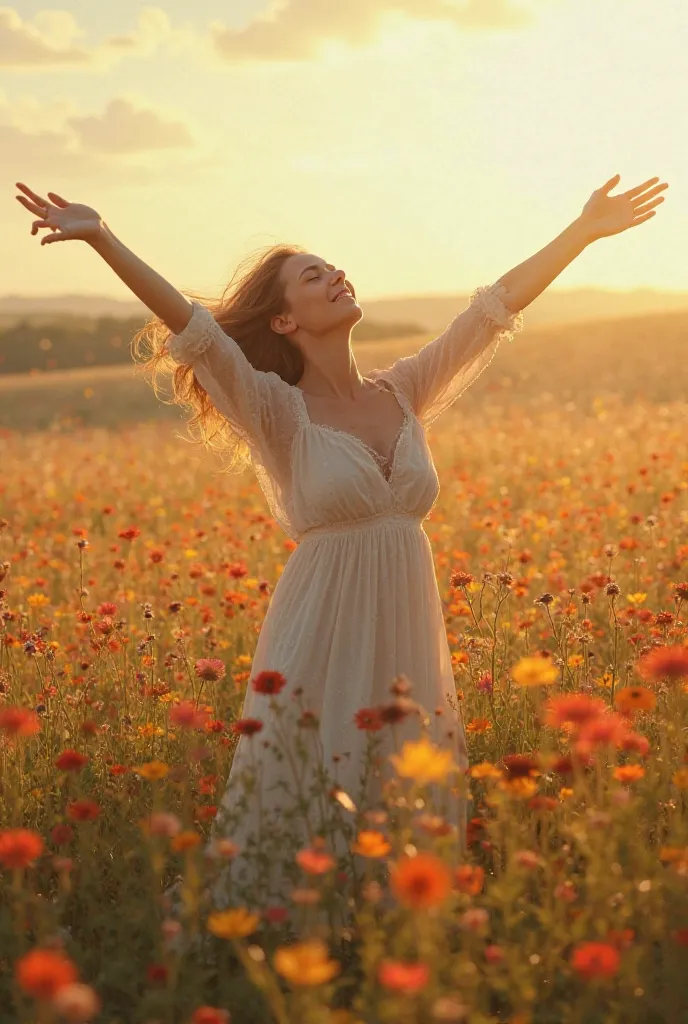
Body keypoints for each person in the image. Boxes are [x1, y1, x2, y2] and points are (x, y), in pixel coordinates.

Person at [14, 174, 668, 915]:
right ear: (285, 320)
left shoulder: (404, 390)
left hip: (406, 625)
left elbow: (492, 312)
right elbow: (193, 327)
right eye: (313, 276)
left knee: (404, 776)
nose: (336, 277)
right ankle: (288, 929)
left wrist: (582, 232)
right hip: (321, 622)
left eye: (335, 267)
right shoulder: (275, 411)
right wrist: (102, 237)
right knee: (311, 772)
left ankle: (395, 929)